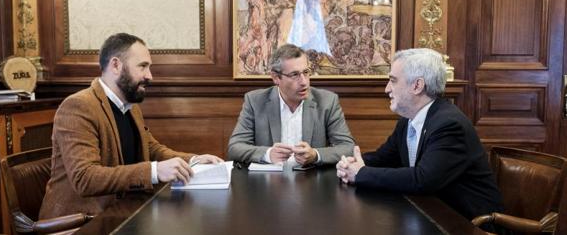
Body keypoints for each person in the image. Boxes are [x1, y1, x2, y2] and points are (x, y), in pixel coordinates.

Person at [39, 33, 223, 219]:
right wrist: (154, 171)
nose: (149, 76)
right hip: (79, 223)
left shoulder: (130, 107)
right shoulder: (78, 106)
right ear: (116, 65)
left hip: (123, 213)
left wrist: (193, 161)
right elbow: (85, 178)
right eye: (142, 66)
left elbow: (151, 148)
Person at [336, 48, 504, 226]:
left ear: (417, 85)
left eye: (393, 80)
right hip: (430, 216)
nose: (387, 89)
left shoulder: (449, 124)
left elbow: (423, 179)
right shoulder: (408, 121)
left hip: (468, 224)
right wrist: (350, 164)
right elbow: (382, 158)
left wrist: (361, 174)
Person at [227, 44, 355, 166]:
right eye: (294, 75)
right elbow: (235, 147)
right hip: (269, 182)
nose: (304, 82)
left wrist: (315, 155)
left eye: (306, 72)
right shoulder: (255, 101)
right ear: (276, 77)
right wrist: (268, 154)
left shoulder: (327, 101)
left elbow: (348, 147)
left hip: (311, 181)